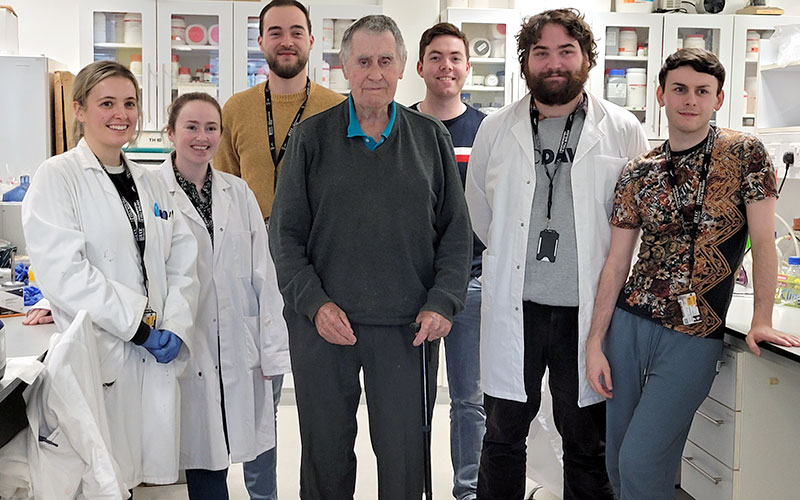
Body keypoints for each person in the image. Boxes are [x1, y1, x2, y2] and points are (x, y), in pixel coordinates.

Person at [268, 14, 473, 500]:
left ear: (404, 67)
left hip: (407, 326)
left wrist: (443, 301)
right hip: (324, 324)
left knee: (404, 456)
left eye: (385, 60)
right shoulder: (310, 139)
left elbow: (456, 234)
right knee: (325, 451)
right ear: (343, 67)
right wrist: (315, 304)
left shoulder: (430, 139)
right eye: (363, 61)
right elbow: (285, 237)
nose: (374, 73)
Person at [585, 48, 800, 500]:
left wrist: (762, 319)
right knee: (618, 460)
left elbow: (764, 243)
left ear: (719, 99)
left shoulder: (744, 154)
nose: (690, 100)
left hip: (694, 334)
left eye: (703, 91)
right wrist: (594, 341)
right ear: (661, 94)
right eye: (679, 89)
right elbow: (617, 262)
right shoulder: (638, 172)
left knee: (641, 460)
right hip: (629, 324)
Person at [464, 9, 649, 500]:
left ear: (586, 58)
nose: (554, 64)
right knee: (502, 437)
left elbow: (636, 220)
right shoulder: (496, 129)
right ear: (526, 62)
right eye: (541, 53)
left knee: (587, 439)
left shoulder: (623, 129)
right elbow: (480, 211)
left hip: (587, 314)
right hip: (515, 308)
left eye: (566, 51)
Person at [21, 60, 199, 493]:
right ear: (80, 109)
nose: (121, 114)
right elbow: (65, 272)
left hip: (148, 357)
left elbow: (180, 257)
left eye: (129, 103)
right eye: (107, 103)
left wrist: (173, 323)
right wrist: (138, 325)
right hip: (98, 353)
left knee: (133, 476)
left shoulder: (151, 182)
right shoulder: (57, 177)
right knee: (97, 477)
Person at [213, 2, 343, 496]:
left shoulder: (337, 107)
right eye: (274, 32)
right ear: (261, 42)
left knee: (321, 402)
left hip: (318, 270)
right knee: (257, 404)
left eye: (296, 31)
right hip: (252, 272)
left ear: (312, 41)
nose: (285, 40)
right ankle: (262, 495)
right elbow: (220, 192)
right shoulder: (237, 110)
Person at [159, 93, 289, 500]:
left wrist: (270, 347)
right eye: (192, 127)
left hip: (236, 336)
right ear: (171, 133)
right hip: (185, 338)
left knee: (249, 444)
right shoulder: (151, 192)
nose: (202, 137)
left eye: (211, 128)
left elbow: (262, 274)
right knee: (203, 455)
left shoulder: (239, 192)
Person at [411, 22, 485, 500]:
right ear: (419, 67)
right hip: (412, 285)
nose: (446, 66)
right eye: (436, 57)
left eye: (455, 57)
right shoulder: (399, 125)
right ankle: (411, 486)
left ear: (467, 66)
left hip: (474, 283)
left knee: (469, 399)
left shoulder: (487, 130)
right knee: (412, 402)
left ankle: (469, 490)